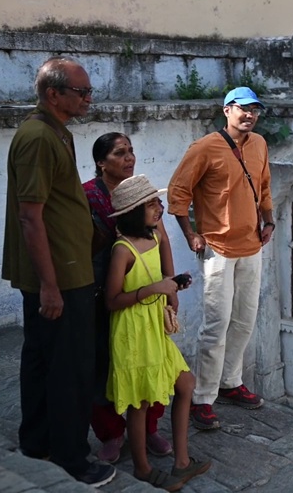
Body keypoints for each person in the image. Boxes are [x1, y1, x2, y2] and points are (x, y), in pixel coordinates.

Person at [1, 56, 116, 487]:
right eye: (81, 92)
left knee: (44, 358)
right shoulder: (36, 138)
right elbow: (31, 216)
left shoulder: (55, 133)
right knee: (70, 366)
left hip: (68, 265)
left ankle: (38, 442)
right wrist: (50, 285)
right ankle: (72, 457)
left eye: (88, 91)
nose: (88, 99)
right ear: (54, 94)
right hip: (60, 275)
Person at [168, 86, 275, 431]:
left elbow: (265, 185)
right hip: (217, 249)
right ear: (227, 110)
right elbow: (178, 192)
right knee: (215, 325)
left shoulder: (259, 144)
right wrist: (190, 234)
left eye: (254, 110)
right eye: (243, 109)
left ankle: (230, 382)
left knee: (244, 320)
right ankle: (202, 398)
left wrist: (269, 218)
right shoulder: (204, 147)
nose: (249, 115)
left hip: (252, 245)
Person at [105, 174, 212, 490]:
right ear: (134, 211)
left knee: (186, 383)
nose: (159, 208)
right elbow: (111, 301)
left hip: (153, 328)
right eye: (151, 204)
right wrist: (153, 289)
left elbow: (160, 273)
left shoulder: (152, 238)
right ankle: (142, 467)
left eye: (157, 202)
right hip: (132, 331)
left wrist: (172, 287)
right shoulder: (122, 250)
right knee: (139, 403)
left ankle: (182, 462)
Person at [83, 133, 174, 462]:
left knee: (150, 358)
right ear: (101, 162)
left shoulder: (142, 191)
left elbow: (162, 238)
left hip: (146, 291)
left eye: (131, 151)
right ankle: (111, 432)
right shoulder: (88, 196)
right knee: (103, 362)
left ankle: (148, 427)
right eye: (120, 153)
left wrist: (169, 282)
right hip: (100, 292)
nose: (129, 157)